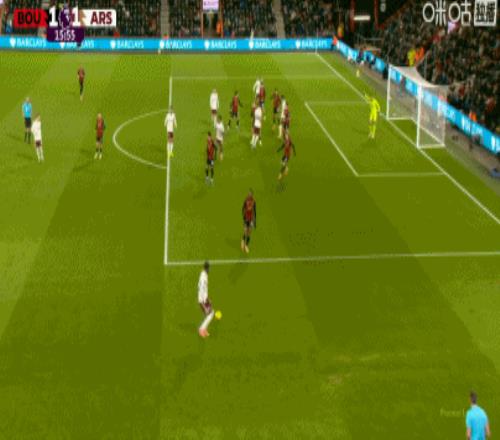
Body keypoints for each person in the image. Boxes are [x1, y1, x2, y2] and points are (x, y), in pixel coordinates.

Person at [198, 261, 214, 338]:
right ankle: (201, 329)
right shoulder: (203, 278)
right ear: (207, 268)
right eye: (209, 268)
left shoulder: (204, 275)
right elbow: (202, 290)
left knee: (210, 313)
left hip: (204, 299)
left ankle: (203, 329)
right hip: (202, 300)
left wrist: (208, 298)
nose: (210, 270)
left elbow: (204, 289)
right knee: (210, 314)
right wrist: (204, 302)